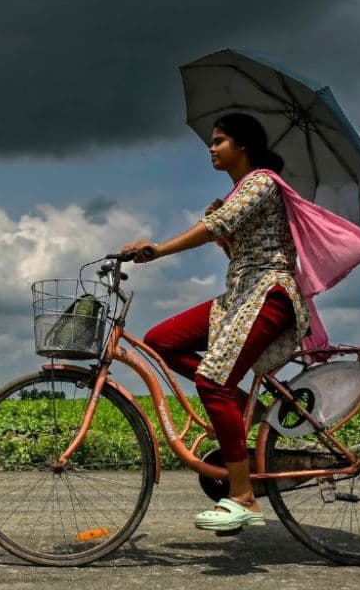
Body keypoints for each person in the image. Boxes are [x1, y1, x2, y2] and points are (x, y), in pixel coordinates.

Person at [118, 112, 310, 532]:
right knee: (161, 341)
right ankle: (245, 409)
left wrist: (158, 250)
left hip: (269, 294)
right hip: (240, 296)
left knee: (213, 382)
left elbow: (216, 227)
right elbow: (235, 245)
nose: (211, 147)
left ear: (243, 145)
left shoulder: (261, 182)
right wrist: (226, 239)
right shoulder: (239, 193)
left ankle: (243, 497)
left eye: (219, 140)